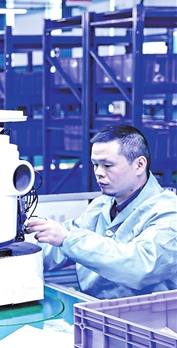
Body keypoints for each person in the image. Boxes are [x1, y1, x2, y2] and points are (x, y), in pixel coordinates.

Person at [26, 124, 177, 300]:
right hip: (92, 308)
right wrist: (17, 249)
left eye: (107, 165)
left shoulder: (167, 213)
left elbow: (141, 267)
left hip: (145, 315)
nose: (98, 173)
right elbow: (57, 249)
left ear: (139, 165)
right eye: (95, 165)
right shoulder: (101, 206)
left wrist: (68, 239)